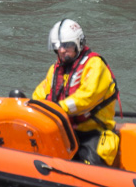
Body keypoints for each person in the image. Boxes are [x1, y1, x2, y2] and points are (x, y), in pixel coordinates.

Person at [32, 19, 120, 166]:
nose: (61, 50)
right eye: (57, 46)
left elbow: (87, 97)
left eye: (66, 45)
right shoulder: (55, 70)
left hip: (93, 134)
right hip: (63, 132)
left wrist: (59, 109)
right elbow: (40, 94)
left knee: (87, 164)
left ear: (78, 44)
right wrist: (31, 107)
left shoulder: (95, 65)